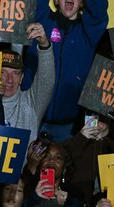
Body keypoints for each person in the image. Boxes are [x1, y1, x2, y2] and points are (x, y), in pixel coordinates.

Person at [23, 0, 108, 142]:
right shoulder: (41, 21)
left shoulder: (89, 33)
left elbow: (98, 10)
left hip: (69, 126)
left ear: (82, 3)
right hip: (31, 118)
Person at [1, 24, 54, 143]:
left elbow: (46, 81)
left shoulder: (31, 104)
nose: (9, 80)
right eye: (3, 72)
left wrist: (44, 46)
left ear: (22, 78)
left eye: (15, 73)